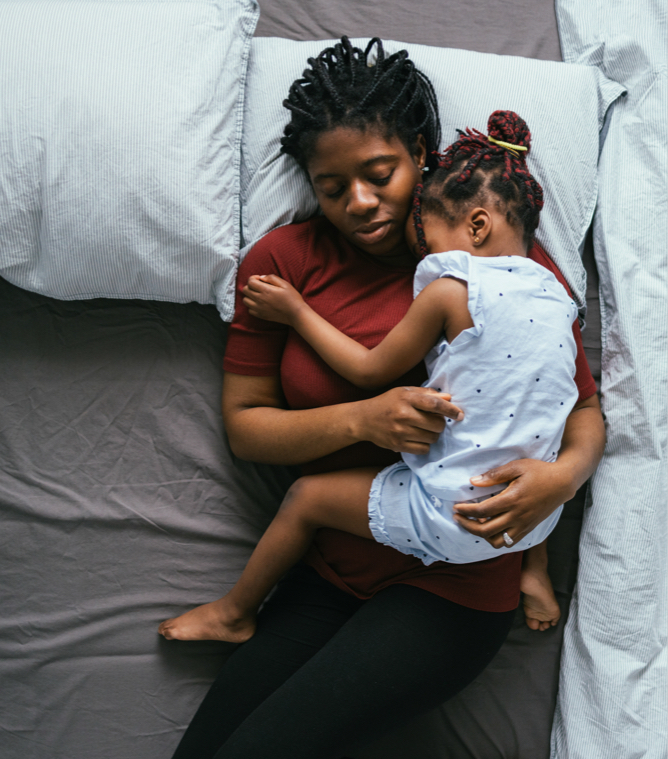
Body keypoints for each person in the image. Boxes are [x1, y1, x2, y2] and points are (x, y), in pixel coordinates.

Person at [161, 38, 605, 759]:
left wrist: (563, 477)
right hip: (334, 564)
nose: (359, 203)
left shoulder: (500, 266)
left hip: (456, 583)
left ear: (423, 157)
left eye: (379, 174)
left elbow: (581, 407)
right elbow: (246, 428)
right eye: (331, 187)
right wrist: (363, 419)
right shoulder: (281, 268)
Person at [159, 109, 578, 647]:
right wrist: (558, 482)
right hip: (525, 522)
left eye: (381, 177)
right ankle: (535, 570)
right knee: (527, 434)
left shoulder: (451, 287)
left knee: (308, 498)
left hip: (450, 519)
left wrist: (297, 313)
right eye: (331, 188)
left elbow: (367, 368)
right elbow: (562, 403)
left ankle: (236, 611)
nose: (421, 248)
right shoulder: (555, 295)